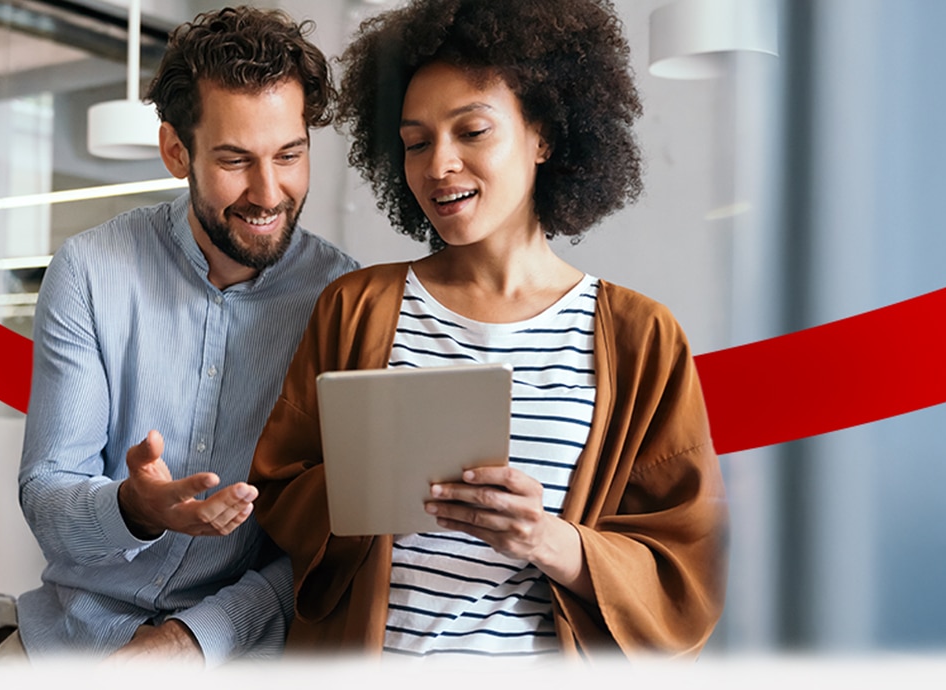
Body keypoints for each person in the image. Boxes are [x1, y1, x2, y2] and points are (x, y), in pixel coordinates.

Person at [249, 0, 727, 662]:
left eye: (471, 131)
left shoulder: (640, 338)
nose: (438, 164)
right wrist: (372, 482)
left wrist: (547, 539)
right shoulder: (355, 306)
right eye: (416, 142)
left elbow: (686, 565)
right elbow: (277, 491)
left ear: (544, 136)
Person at [13, 6, 358, 666]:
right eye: (235, 159)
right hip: (70, 645)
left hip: (239, 653)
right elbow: (46, 493)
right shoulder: (90, 270)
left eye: (290, 155)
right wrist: (134, 509)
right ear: (177, 151)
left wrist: (195, 639)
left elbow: (335, 540)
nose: (268, 192)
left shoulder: (343, 299)